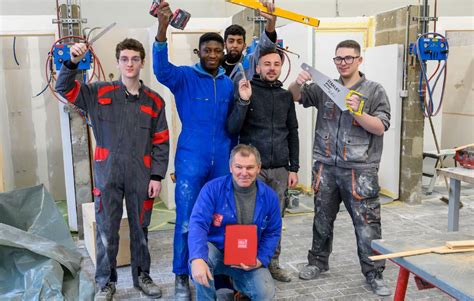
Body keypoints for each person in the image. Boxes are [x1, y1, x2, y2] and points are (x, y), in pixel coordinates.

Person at [55, 38, 169, 300]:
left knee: (141, 228)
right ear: (118, 62)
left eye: (135, 59)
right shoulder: (97, 93)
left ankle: (142, 275)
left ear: (142, 62)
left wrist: (157, 175)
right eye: (125, 59)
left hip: (141, 173)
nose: (130, 64)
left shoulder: (154, 101)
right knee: (107, 229)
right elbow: (63, 87)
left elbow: (161, 141)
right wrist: (72, 61)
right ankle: (106, 282)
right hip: (107, 174)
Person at [288, 39, 392, 296]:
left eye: (348, 58)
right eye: (338, 58)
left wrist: (358, 112)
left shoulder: (374, 90)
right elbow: (294, 96)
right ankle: (317, 262)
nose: (343, 63)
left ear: (359, 60)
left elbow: (380, 127)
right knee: (322, 218)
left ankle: (374, 273)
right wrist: (298, 81)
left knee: (367, 223)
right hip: (325, 166)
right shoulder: (326, 87)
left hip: (360, 170)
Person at [152, 2, 234, 299]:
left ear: (223, 53)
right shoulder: (185, 77)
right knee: (187, 218)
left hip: (224, 157)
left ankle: (221, 273)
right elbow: (161, 70)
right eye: (207, 50)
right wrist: (162, 28)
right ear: (199, 53)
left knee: (222, 216)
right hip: (191, 158)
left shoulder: (229, 84)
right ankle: (180, 276)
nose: (212, 55)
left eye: (217, 50)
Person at [227, 49, 299, 282]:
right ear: (257, 67)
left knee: (275, 218)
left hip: (279, 168)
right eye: (266, 64)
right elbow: (233, 128)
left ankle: (271, 263)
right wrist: (243, 101)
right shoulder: (247, 90)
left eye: (275, 64)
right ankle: (244, 262)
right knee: (247, 217)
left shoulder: (286, 96)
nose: (271, 68)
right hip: (251, 171)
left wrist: (294, 168)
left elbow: (293, 132)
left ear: (280, 68)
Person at [189, 144, 281, 300]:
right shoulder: (212, 190)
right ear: (231, 167)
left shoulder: (270, 197)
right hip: (216, 250)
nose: (244, 173)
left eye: (250, 167)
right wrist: (197, 258)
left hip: (248, 256)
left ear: (258, 168)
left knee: (265, 293)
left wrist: (260, 260)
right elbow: (198, 224)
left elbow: (273, 232)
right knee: (200, 264)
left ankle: (239, 287)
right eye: (239, 167)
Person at [222, 1, 277, 82]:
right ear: (224, 45)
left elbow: (266, 47)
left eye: (239, 42)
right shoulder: (216, 66)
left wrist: (271, 23)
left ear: (244, 46)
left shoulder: (250, 63)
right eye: (231, 41)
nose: (235, 45)